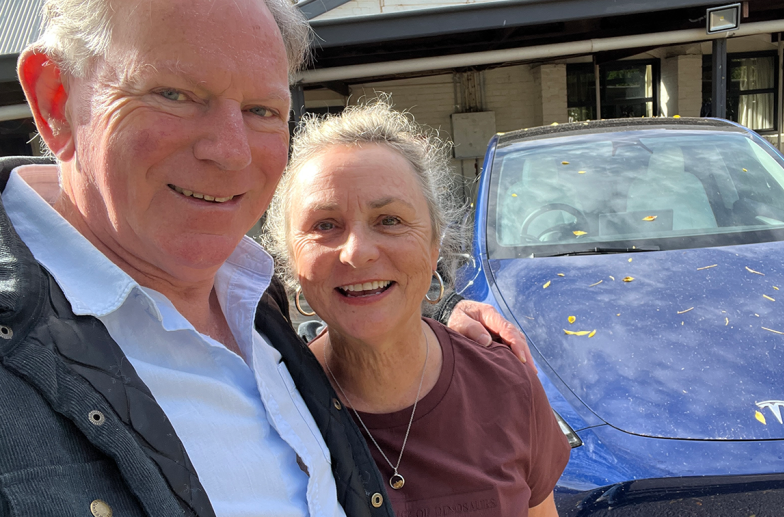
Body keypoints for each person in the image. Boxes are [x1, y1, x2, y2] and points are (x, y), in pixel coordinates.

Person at [0, 0, 530, 515]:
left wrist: (427, 318)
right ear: (56, 99)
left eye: (262, 110)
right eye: (175, 93)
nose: (231, 150)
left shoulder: (255, 306)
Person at [262, 100, 570, 517]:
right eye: (325, 225)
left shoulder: (506, 385)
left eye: (389, 220)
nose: (357, 253)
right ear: (291, 262)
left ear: (433, 245)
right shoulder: (269, 411)